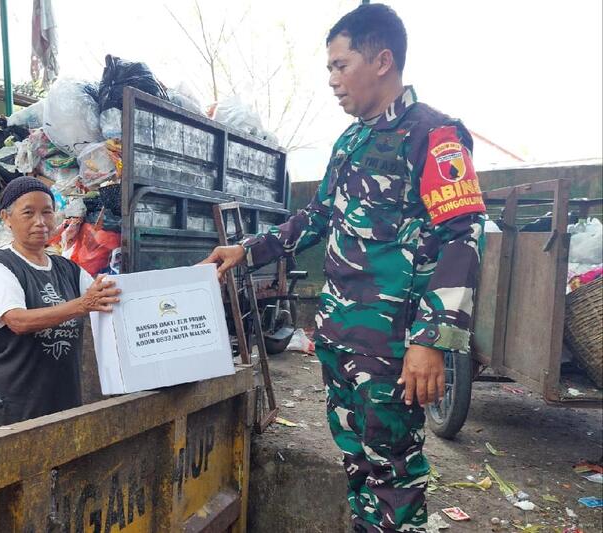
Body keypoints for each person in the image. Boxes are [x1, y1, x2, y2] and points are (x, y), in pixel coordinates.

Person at [202, 4, 485, 532]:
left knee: (394, 472)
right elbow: (319, 215)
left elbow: (461, 238)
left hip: (393, 346)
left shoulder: (434, 135)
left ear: (382, 60)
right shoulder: (351, 141)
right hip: (340, 336)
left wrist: (430, 341)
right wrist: (248, 249)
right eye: (329, 68)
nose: (331, 80)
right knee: (357, 461)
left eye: (340, 65)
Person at [0, 176, 120, 431]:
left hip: (55, 400)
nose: (40, 222)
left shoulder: (68, 269)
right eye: (28, 213)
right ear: (6, 218)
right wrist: (82, 305)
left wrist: (195, 276)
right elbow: (17, 321)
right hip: (4, 402)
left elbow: (114, 295)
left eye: (47, 212)